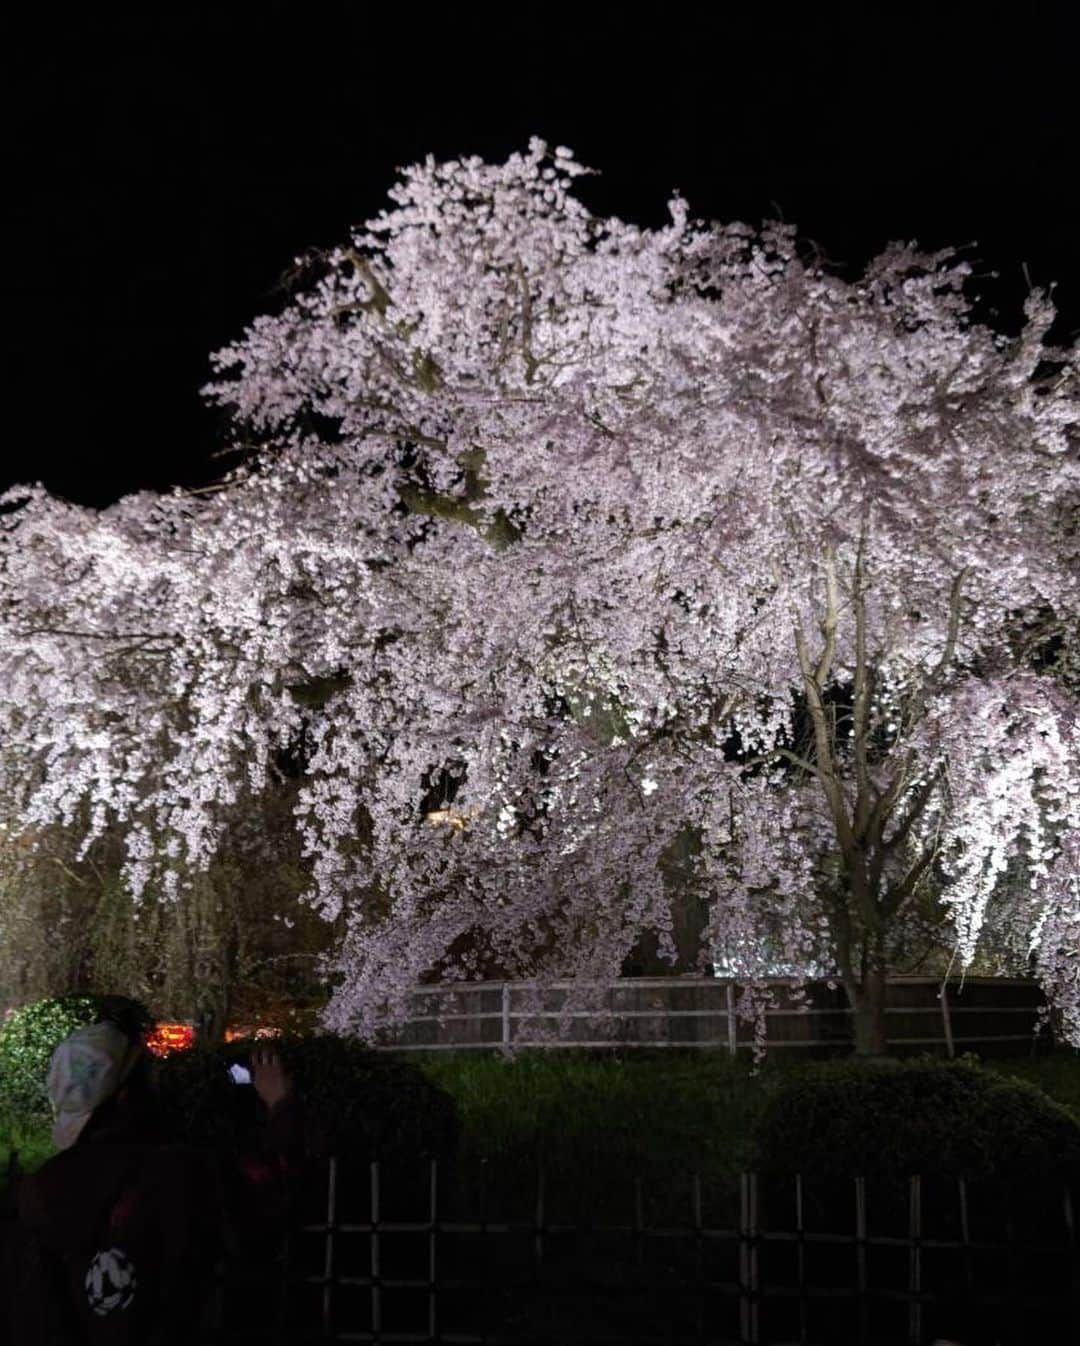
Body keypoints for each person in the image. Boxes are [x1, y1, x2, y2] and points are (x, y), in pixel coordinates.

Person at [12, 1017, 305, 1344]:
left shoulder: (37, 1192)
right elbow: (266, 1201)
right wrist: (281, 1108)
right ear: (126, 1096)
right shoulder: (178, 1171)